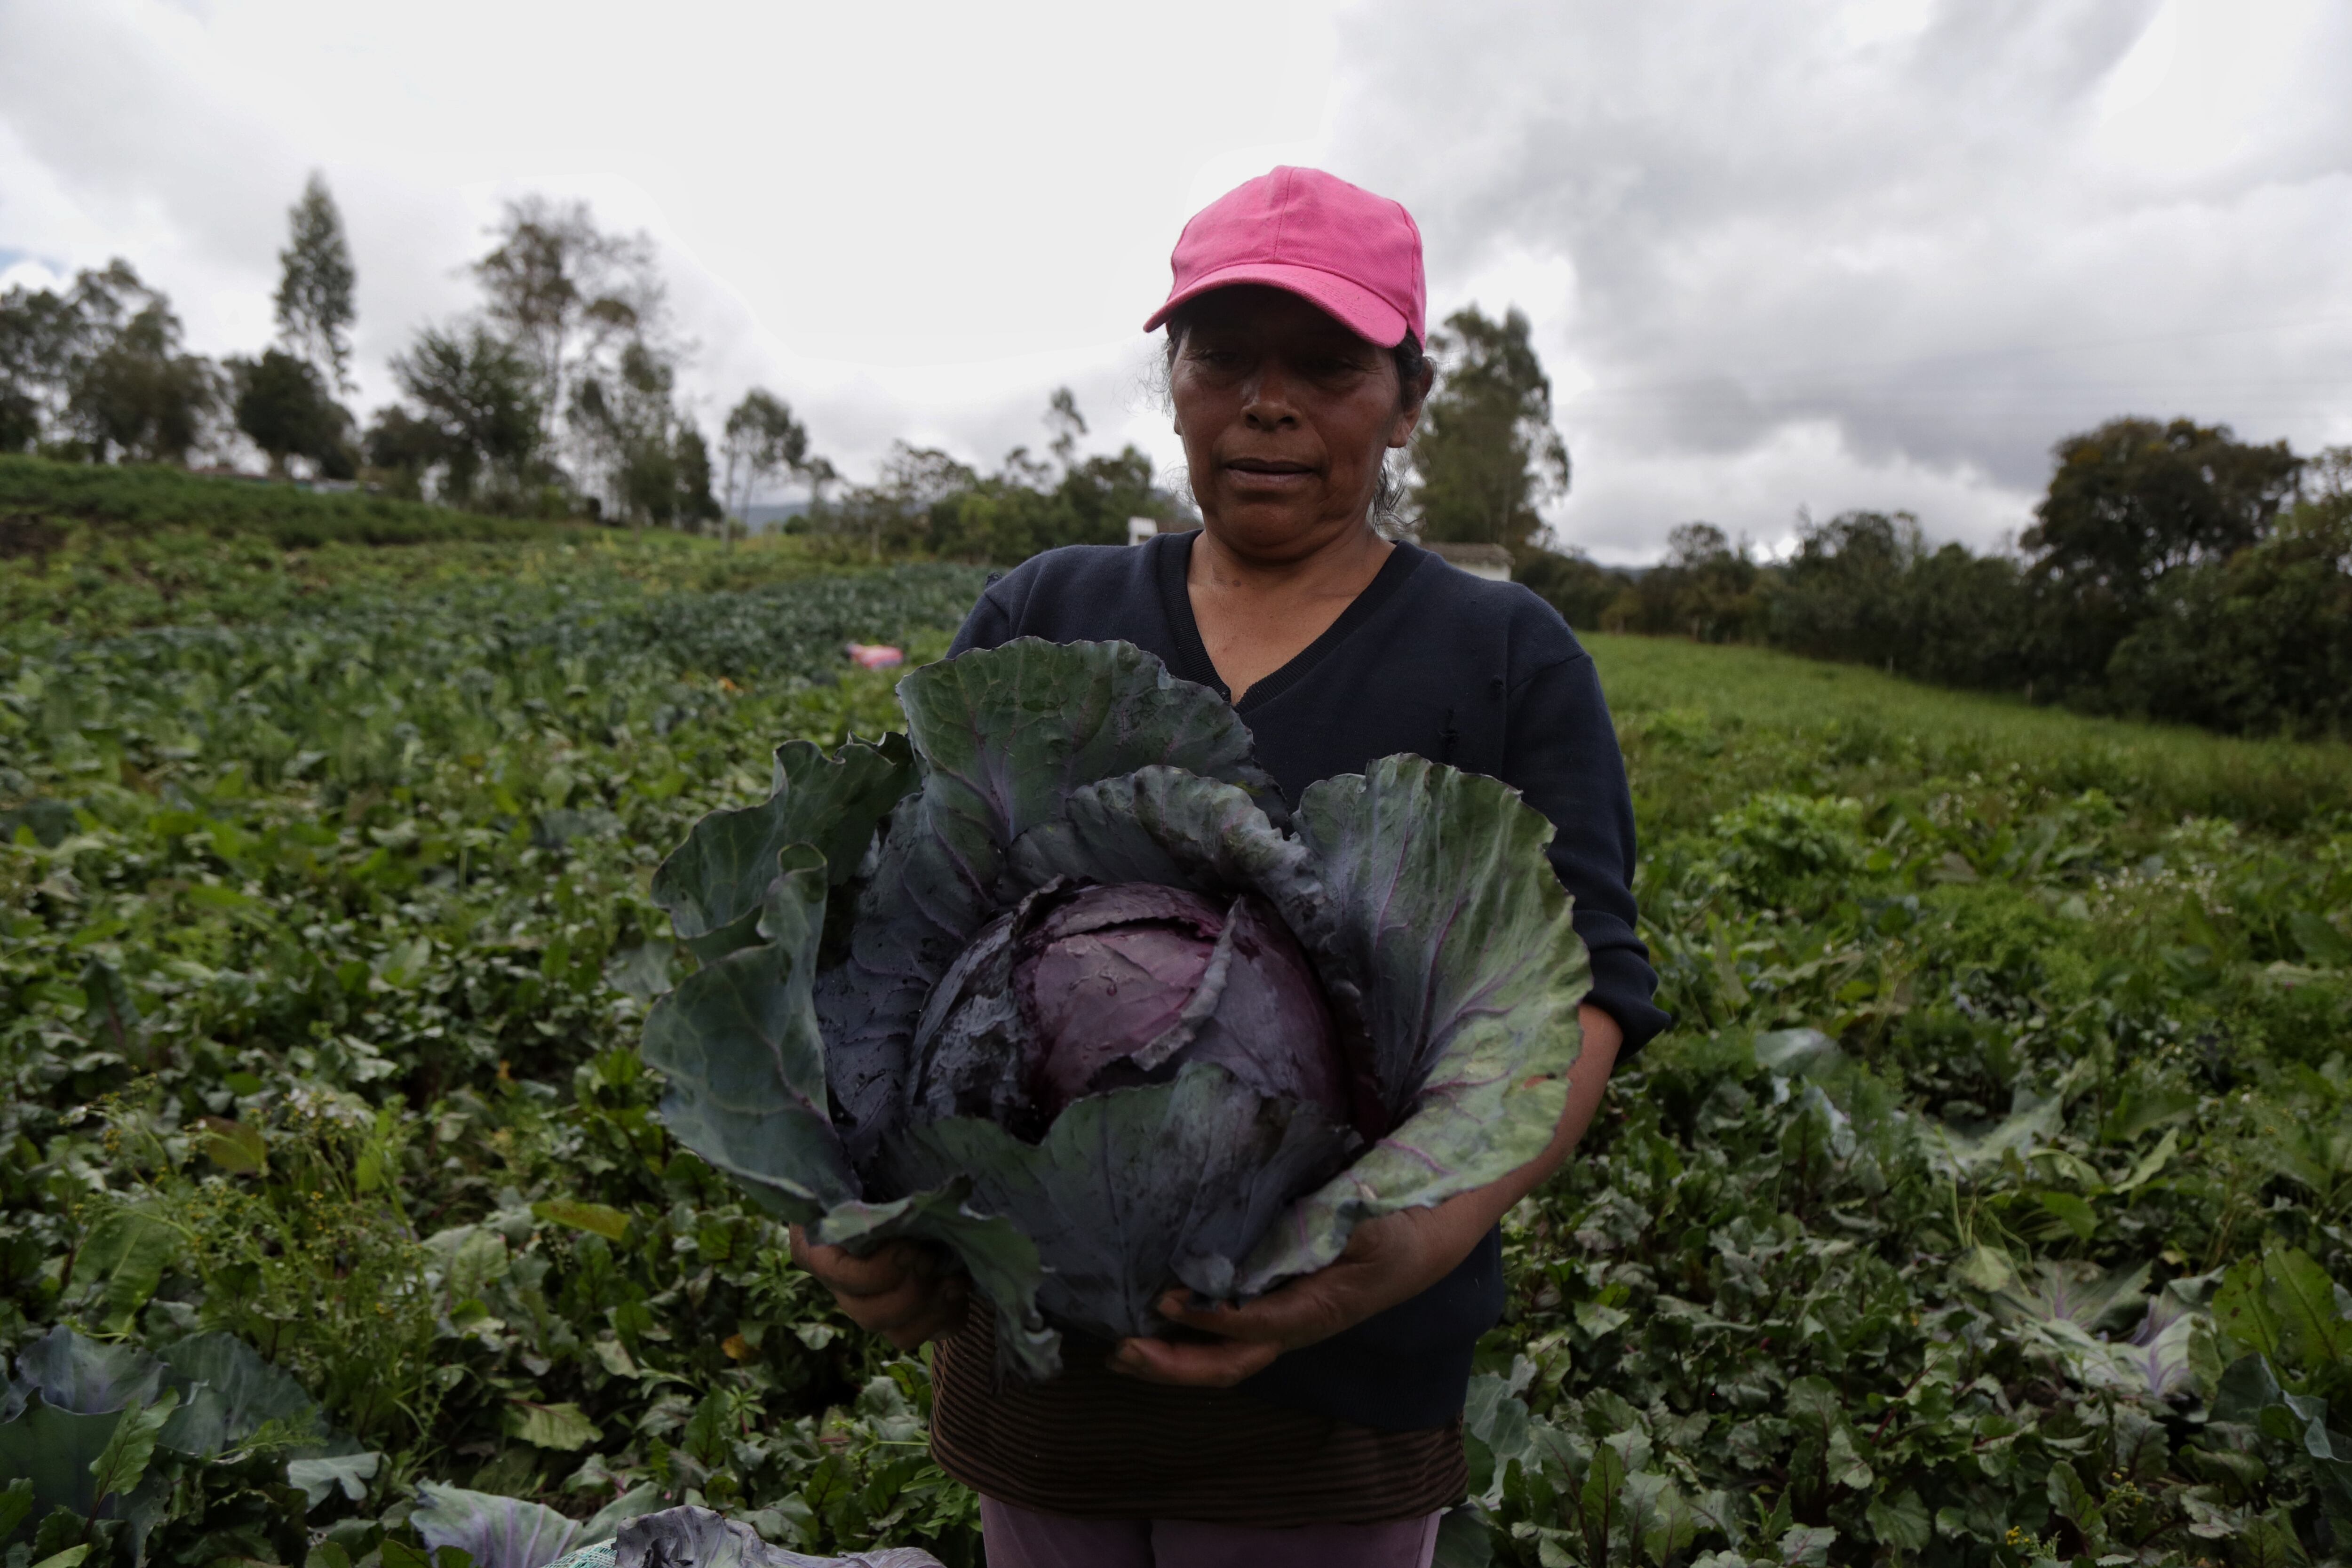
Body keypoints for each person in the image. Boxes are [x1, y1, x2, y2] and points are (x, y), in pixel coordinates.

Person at [791, 166, 1668, 1568]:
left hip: (1337, 1405)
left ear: (1406, 398)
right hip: (1040, 1368)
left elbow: (1580, 1002)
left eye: (1326, 366)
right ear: (1174, 380)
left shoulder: (1505, 657)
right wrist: (842, 1209)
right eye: (1222, 359)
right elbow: (889, 938)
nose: (1269, 403)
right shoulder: (1042, 617)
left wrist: (1391, 1258)